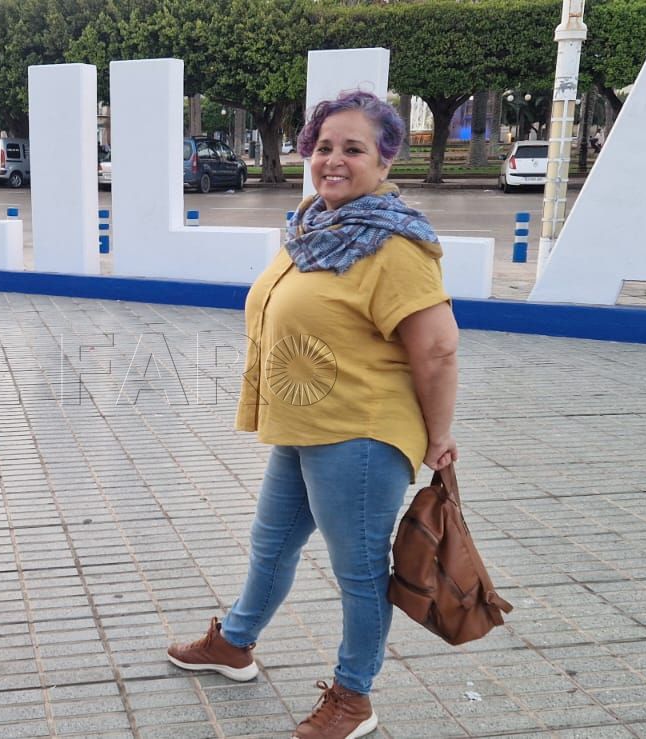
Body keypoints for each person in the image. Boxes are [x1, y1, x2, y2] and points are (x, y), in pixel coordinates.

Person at [165, 90, 460, 739]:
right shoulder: (313, 226)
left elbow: (437, 348)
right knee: (272, 542)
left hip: (359, 431)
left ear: (384, 159)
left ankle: (354, 697)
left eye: (353, 148)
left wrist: (439, 437)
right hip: (305, 425)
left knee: (358, 570)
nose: (333, 159)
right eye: (324, 145)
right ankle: (235, 643)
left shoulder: (393, 244)